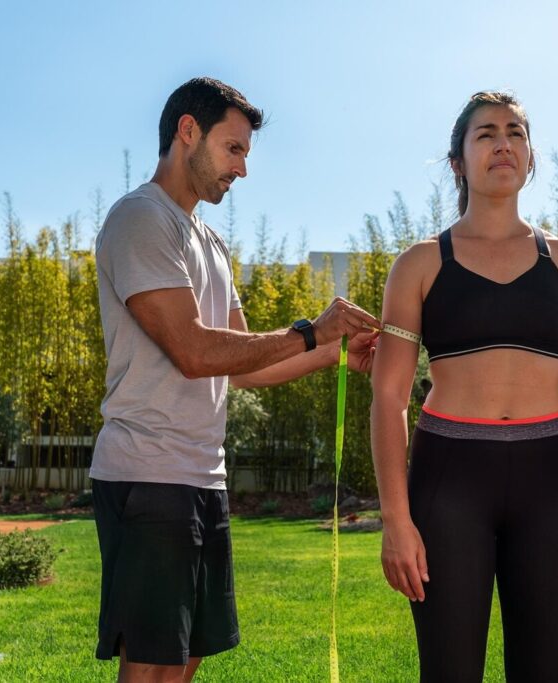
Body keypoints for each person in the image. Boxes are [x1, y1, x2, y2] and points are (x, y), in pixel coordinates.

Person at [90, 77, 380, 683]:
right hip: (147, 473)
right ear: (187, 132)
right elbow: (194, 351)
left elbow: (246, 361)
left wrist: (331, 354)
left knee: (189, 654)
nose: (242, 169)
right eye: (234, 149)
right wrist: (311, 330)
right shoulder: (140, 219)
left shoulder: (211, 242)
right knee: (149, 662)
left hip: (199, 476)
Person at [370, 91, 558, 682]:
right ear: (458, 161)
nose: (502, 143)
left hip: (548, 485)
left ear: (529, 158)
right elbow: (387, 398)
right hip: (448, 484)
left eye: (514, 132)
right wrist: (396, 520)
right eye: (484, 134)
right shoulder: (419, 264)